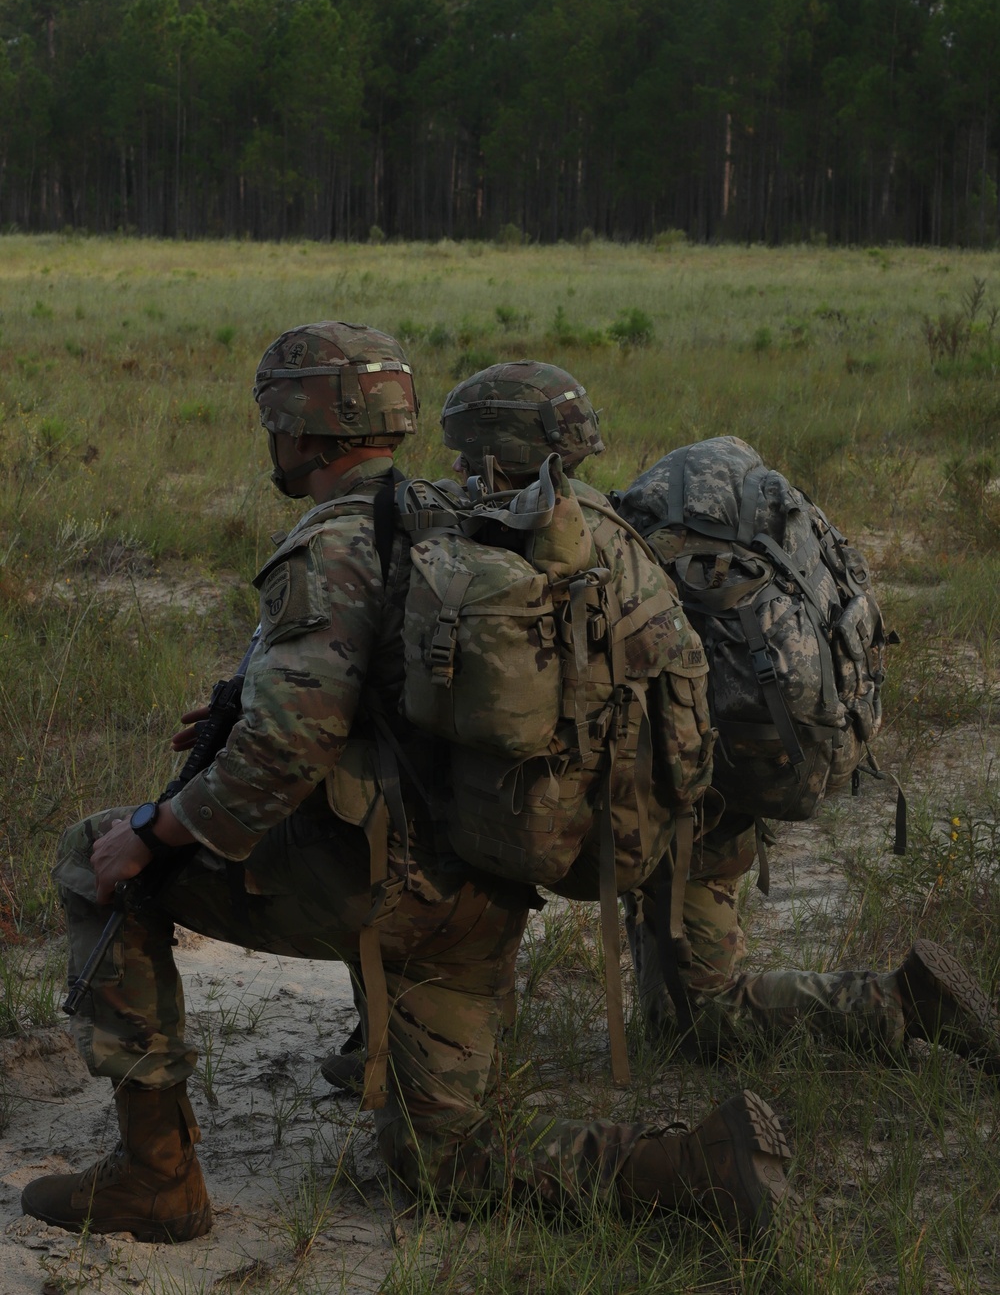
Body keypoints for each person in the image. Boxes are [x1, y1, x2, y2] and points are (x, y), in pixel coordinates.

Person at [21, 324, 795, 1246]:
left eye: (275, 417)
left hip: (382, 893)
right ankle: (696, 1169)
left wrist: (155, 830)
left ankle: (155, 1180)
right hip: (482, 887)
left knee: (88, 854)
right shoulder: (453, 515)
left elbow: (284, 749)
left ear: (301, 426)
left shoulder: (334, 542)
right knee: (445, 1161)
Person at [435, 361, 1000, 1071]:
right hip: (711, 792)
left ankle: (451, 1033)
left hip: (643, 812)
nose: (455, 468)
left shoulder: (517, 558)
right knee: (692, 1015)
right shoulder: (620, 520)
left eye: (462, 453)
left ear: (493, 455)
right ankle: (901, 1000)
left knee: (463, 828)